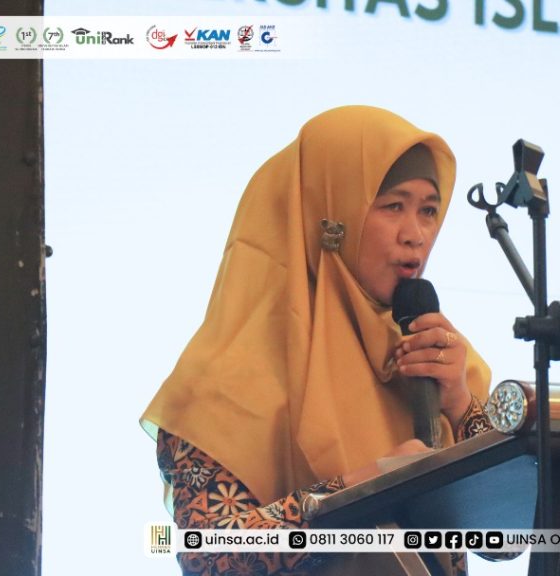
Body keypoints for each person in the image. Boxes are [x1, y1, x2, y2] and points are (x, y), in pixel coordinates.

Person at [141, 105, 495, 575]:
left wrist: (462, 406)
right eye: (393, 206)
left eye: (428, 210)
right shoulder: (218, 384)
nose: (416, 236)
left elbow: (503, 541)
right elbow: (208, 555)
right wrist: (363, 489)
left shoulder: (436, 360)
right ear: (329, 219)